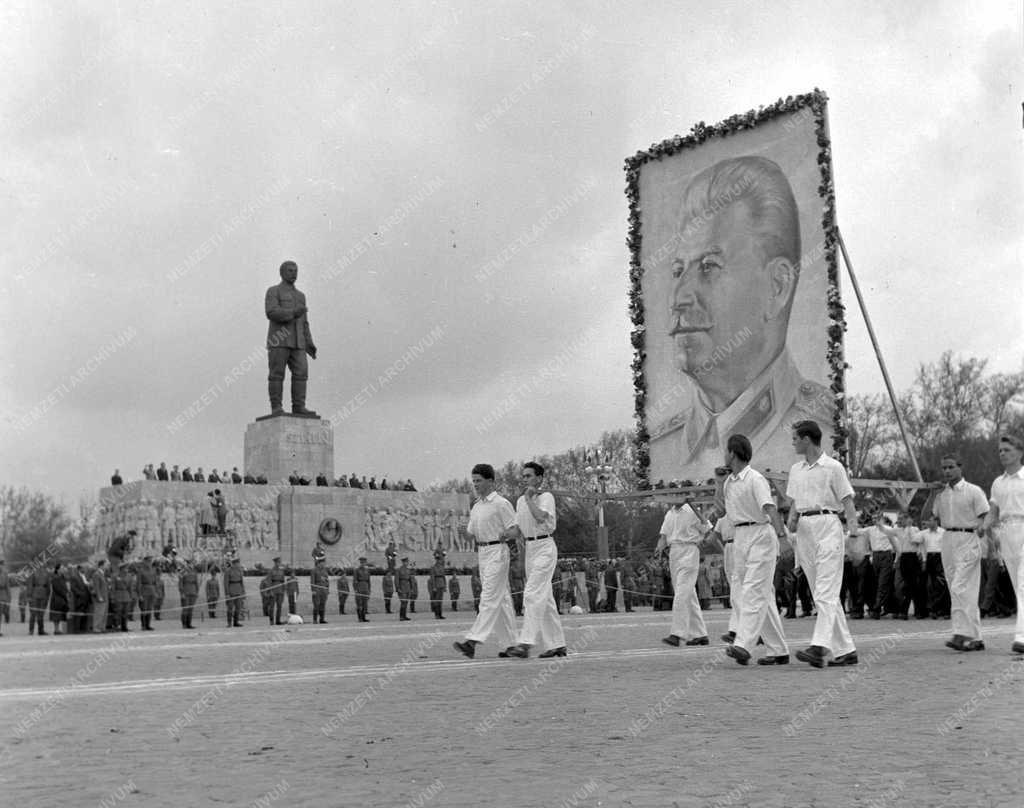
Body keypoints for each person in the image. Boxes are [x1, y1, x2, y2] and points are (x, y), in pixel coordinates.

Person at [649, 156, 832, 479]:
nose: (679, 298)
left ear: (777, 286)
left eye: (708, 266)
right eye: (678, 271)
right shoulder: (663, 449)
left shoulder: (825, 433)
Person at [785, 420, 860, 668]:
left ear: (807, 439)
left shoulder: (833, 467)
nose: (793, 442)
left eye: (795, 438)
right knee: (820, 591)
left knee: (827, 589)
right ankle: (846, 650)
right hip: (805, 530)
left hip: (828, 524)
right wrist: (792, 520)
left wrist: (854, 531)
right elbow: (795, 501)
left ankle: (819, 646)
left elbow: (847, 501)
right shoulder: (796, 469)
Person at [720, 434, 789, 666]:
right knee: (755, 594)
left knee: (752, 590)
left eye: (726, 450)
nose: (724, 455)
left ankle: (744, 645)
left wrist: (783, 537)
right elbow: (724, 511)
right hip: (740, 536)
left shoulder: (755, 479)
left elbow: (769, 508)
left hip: (760, 534)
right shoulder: (729, 482)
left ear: (733, 452)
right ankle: (778, 650)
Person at [453, 464, 518, 659]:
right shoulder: (476, 506)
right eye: (473, 481)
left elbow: (515, 529)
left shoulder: (501, 503)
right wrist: (462, 531)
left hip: (497, 551)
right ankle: (511, 645)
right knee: (502, 599)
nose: (475, 485)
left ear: (490, 481)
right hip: (482, 552)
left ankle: (473, 641)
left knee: (489, 596)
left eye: (479, 481)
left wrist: (506, 534)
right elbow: (470, 536)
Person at [925, 454, 988, 652]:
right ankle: (976, 637)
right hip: (948, 540)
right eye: (944, 468)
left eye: (951, 467)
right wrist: (930, 494)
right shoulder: (941, 495)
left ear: (960, 468)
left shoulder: (973, 491)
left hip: (969, 538)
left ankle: (961, 633)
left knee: (961, 586)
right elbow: (927, 516)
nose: (947, 471)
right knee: (958, 589)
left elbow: (986, 515)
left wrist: (985, 534)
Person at [504, 461, 566, 659]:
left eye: (529, 476)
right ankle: (557, 644)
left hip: (545, 547)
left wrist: (530, 499)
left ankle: (526, 642)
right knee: (545, 598)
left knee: (532, 593)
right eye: (523, 476)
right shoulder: (520, 502)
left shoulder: (546, 497)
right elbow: (518, 529)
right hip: (530, 548)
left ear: (539, 478)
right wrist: (501, 533)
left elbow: (540, 517)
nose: (525, 479)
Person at [982, 434, 1024, 654]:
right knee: (1018, 587)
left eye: (1007, 450)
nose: (1002, 454)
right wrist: (983, 527)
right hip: (1007, 533)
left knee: (1023, 584)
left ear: (1019, 452)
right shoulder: (998, 483)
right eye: (1000, 450)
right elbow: (994, 512)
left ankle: (1021, 638)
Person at [266, 259, 318, 416]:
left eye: (295, 270)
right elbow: (271, 312)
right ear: (281, 273)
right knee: (277, 374)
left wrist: (309, 342)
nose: (293, 273)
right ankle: (276, 407)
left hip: (298, 342)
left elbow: (305, 322)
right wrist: (293, 313)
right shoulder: (273, 291)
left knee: (301, 373)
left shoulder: (301, 296)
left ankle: (299, 406)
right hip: (279, 340)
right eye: (290, 270)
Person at [658, 500, 709, 647]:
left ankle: (677, 633)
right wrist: (660, 547)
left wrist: (700, 542)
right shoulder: (670, 513)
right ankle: (700, 634)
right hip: (674, 552)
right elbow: (663, 535)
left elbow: (706, 528)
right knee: (688, 594)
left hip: (689, 549)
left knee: (681, 594)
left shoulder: (693, 510)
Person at [918, 516, 949, 619]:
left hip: (940, 557)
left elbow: (948, 546)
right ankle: (933, 609)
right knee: (929, 585)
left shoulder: (943, 532)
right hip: (929, 558)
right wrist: (924, 560)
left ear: (936, 521)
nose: (928, 523)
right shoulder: (925, 533)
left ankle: (945, 610)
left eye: (930, 521)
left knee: (941, 583)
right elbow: (922, 547)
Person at [28, 563, 52, 636]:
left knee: (41, 613)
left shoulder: (46, 572)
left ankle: (41, 630)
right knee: (33, 613)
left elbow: (48, 585)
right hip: (35, 593)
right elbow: (30, 584)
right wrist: (29, 596)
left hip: (43, 594)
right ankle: (31, 630)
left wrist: (48, 596)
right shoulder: (33, 572)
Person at [224, 557, 246, 628]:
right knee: (230, 608)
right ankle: (229, 622)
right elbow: (226, 583)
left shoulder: (240, 571)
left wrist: (243, 592)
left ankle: (236, 622)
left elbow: (242, 582)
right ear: (233, 564)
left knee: (238, 608)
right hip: (231, 591)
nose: (238, 565)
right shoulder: (228, 571)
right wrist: (227, 593)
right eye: (237, 563)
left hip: (239, 591)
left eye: (238, 563)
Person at [178, 560, 199, 629]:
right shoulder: (183, 572)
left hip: (193, 591)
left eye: (192, 564)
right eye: (190, 563)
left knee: (191, 609)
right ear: (187, 564)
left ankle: (189, 624)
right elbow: (180, 583)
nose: (191, 565)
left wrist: (197, 592)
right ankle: (184, 624)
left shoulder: (194, 572)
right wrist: (182, 593)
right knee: (185, 609)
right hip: (186, 591)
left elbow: (196, 582)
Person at [90, 560, 109, 633]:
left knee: (104, 613)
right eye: (106, 564)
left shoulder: (103, 574)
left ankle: (102, 627)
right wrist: (99, 596)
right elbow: (96, 587)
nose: (107, 566)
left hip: (105, 596)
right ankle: (96, 628)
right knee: (99, 613)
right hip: (100, 597)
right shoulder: (96, 574)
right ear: (101, 565)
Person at [310, 557, 329, 624]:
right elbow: (312, 581)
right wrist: (313, 590)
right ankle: (315, 620)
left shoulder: (325, 570)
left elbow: (327, 581)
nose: (323, 564)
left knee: (323, 605)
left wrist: (327, 590)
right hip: (317, 590)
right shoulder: (314, 570)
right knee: (316, 605)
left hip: (324, 590)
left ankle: (322, 619)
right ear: (319, 563)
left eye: (324, 563)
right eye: (322, 563)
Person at [268, 557, 285, 625]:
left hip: (280, 589)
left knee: (279, 606)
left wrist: (283, 590)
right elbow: (269, 581)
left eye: (279, 562)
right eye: (278, 562)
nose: (279, 563)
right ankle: (271, 620)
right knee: (272, 606)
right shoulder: (271, 571)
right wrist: (270, 590)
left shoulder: (281, 571)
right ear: (275, 563)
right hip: (274, 589)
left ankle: (278, 620)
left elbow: (283, 581)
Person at [353, 557, 371, 622]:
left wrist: (369, 589)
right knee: (359, 604)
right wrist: (355, 589)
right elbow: (355, 580)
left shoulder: (367, 570)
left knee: (365, 604)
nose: (363, 564)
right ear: (360, 563)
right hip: (359, 586)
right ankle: (360, 618)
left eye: (364, 563)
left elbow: (369, 581)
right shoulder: (357, 570)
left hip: (365, 587)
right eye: (362, 563)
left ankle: (363, 617)